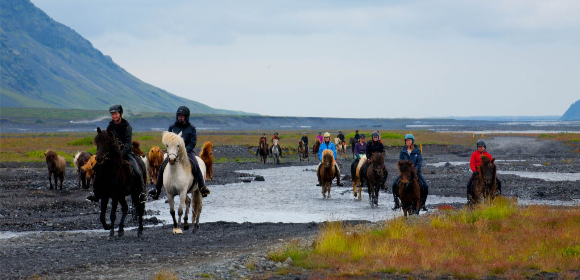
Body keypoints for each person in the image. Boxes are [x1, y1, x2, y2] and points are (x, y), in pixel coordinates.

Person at [86, 104, 147, 204]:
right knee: (97, 168)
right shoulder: (110, 126)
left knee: (137, 170)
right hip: (113, 154)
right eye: (112, 114)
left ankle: (142, 193)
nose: (113, 116)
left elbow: (128, 143)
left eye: (115, 114)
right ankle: (95, 193)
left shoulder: (126, 126)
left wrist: (122, 153)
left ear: (120, 114)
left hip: (126, 153)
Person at [149, 106, 211, 199]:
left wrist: (184, 150)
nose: (180, 117)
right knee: (162, 165)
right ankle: (156, 189)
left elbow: (193, 142)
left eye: (182, 116)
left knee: (196, 165)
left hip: (187, 152)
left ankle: (202, 187)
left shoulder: (191, 128)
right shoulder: (172, 127)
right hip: (173, 152)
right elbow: (168, 141)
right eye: (179, 116)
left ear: (186, 117)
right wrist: (171, 149)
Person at [391, 134, 428, 211]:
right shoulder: (403, 151)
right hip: (405, 174)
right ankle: (396, 203)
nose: (408, 142)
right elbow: (400, 162)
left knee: (425, 186)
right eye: (407, 140)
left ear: (412, 141)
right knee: (394, 185)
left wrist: (413, 170)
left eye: (409, 140)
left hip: (416, 173)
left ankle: (423, 204)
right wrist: (404, 170)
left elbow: (419, 163)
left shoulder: (417, 151)